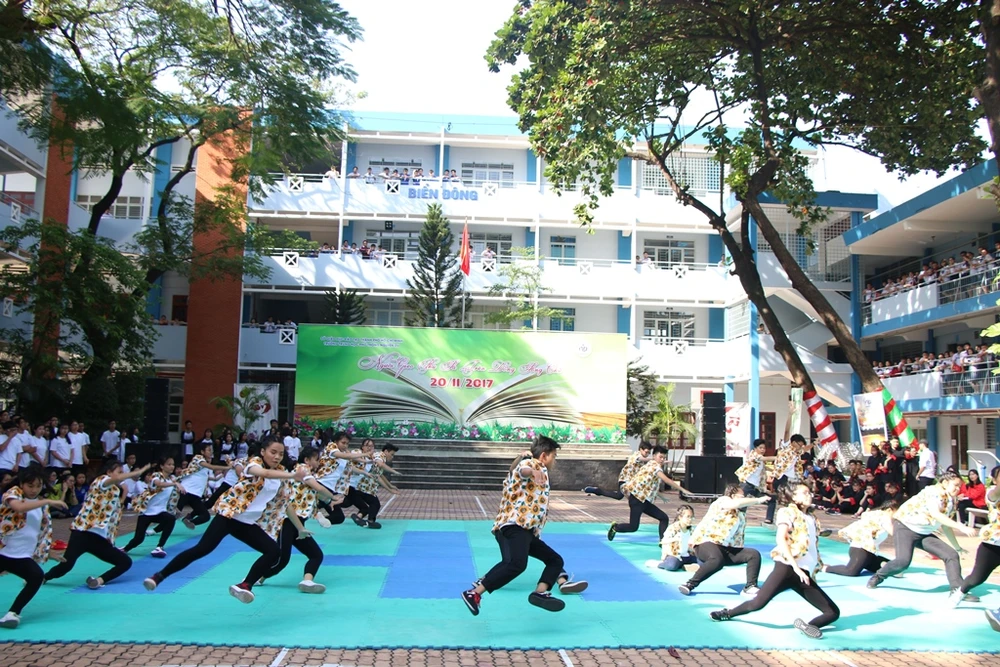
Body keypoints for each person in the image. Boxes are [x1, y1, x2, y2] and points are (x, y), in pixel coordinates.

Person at [143, 439, 309, 604]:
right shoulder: (254, 464)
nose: (277, 457)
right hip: (229, 516)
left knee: (273, 551)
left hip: (246, 523)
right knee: (202, 549)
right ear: (263, 452)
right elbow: (264, 473)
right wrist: (293, 475)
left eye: (281, 454)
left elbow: (285, 504)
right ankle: (159, 576)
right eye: (273, 452)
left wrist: (300, 528)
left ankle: (245, 585)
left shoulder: (281, 474)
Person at [461, 437, 587, 615]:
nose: (555, 461)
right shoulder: (533, 464)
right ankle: (474, 593)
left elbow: (514, 469)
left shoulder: (525, 468)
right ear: (544, 456)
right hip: (514, 527)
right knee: (517, 564)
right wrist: (532, 472)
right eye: (554, 456)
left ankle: (540, 593)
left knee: (555, 560)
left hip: (525, 531)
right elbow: (523, 469)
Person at [709, 482, 840, 640]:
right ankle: (727, 613)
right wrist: (795, 567)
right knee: (757, 603)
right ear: (793, 497)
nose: (809, 495)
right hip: (786, 569)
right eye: (804, 492)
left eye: (810, 492)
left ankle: (808, 625)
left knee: (833, 612)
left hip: (803, 574)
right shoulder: (787, 512)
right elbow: (781, 539)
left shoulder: (811, 517)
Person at [44, 457, 150, 589]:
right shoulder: (101, 481)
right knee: (66, 565)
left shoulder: (115, 490)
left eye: (123, 472)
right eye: (119, 471)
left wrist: (125, 492)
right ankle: (43, 577)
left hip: (100, 539)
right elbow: (113, 480)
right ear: (109, 472)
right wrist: (136, 473)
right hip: (83, 532)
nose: (122, 475)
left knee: (125, 562)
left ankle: (99, 581)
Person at [867, 471, 976, 597]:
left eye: (959, 487)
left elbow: (946, 526)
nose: (958, 489)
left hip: (924, 533)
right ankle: (879, 575)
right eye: (955, 485)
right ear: (945, 483)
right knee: (902, 562)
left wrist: (957, 547)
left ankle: (957, 591)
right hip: (905, 528)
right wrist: (961, 527)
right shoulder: (932, 492)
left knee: (951, 555)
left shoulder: (950, 500)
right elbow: (936, 514)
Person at [259, 446, 338, 593]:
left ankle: (307, 581)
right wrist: (334, 496)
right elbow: (319, 489)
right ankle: (256, 578)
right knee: (282, 559)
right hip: (287, 521)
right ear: (307, 460)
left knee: (316, 555)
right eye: (316, 459)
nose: (319, 462)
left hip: (299, 523)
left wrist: (328, 502)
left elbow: (315, 494)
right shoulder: (303, 469)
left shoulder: (308, 475)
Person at [0, 468, 66, 628]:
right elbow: (19, 507)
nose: (34, 489)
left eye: (38, 486)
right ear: (22, 484)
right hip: (2, 552)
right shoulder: (13, 494)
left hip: (21, 556)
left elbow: (37, 533)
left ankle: (12, 613)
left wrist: (48, 552)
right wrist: (48, 501)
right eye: (30, 486)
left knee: (36, 577)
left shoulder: (40, 506)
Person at [679, 484, 768, 596]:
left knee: (753, 554)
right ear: (732, 495)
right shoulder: (723, 501)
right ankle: (690, 584)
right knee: (717, 559)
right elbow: (734, 503)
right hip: (705, 543)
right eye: (742, 496)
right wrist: (758, 500)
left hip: (725, 549)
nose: (745, 498)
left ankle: (750, 586)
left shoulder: (740, 514)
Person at [608, 445, 690, 542]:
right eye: (660, 457)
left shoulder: (650, 464)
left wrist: (661, 496)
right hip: (637, 500)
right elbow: (667, 480)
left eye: (664, 458)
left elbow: (649, 485)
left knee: (663, 518)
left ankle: (663, 541)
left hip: (644, 501)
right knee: (633, 527)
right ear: (654, 456)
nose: (662, 459)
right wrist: (683, 490)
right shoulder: (655, 467)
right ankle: (615, 527)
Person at [953, 465, 1000, 608]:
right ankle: (960, 592)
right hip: (993, 545)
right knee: (977, 578)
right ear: (994, 479)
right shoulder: (992, 493)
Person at [122, 457, 182, 558]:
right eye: (169, 464)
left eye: (173, 464)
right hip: (146, 512)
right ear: (162, 466)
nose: (172, 466)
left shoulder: (171, 479)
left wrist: (175, 508)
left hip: (160, 512)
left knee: (171, 519)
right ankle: (125, 549)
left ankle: (159, 547)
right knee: (138, 539)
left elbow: (169, 497)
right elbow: (159, 484)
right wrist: (175, 484)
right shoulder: (156, 475)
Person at [823, 500, 899, 577]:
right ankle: (826, 568)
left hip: (870, 553)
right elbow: (893, 532)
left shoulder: (876, 514)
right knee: (851, 571)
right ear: (889, 510)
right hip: (860, 549)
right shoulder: (884, 516)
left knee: (896, 569)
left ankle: (881, 564)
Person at [176, 441, 230, 529]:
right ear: (202, 452)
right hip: (186, 491)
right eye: (209, 450)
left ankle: (189, 521)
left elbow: (205, 477)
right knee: (175, 514)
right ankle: (155, 530)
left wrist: (220, 476)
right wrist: (228, 467)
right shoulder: (198, 458)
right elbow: (212, 467)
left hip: (196, 495)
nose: (211, 452)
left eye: (211, 450)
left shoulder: (204, 465)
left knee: (206, 516)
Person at [583, 442, 651, 500]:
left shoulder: (642, 460)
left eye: (649, 453)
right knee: (630, 496)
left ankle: (598, 491)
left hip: (630, 481)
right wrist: (653, 458)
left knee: (619, 496)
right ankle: (597, 491)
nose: (647, 454)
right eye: (646, 452)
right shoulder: (637, 455)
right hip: (625, 479)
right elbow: (640, 459)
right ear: (641, 449)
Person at [764, 434, 807, 525]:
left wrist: (814, 444)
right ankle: (770, 518)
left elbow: (804, 450)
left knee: (791, 499)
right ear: (794, 443)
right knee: (776, 497)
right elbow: (787, 432)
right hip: (780, 477)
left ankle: (793, 519)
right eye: (800, 444)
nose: (801, 447)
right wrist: (789, 419)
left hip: (791, 478)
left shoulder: (796, 452)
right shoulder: (785, 448)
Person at [645, 505, 696, 571]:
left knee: (703, 562)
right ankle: (659, 564)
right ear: (680, 517)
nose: (690, 519)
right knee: (672, 566)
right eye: (688, 517)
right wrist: (663, 556)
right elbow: (663, 541)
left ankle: (684, 565)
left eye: (691, 517)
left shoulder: (691, 529)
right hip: (674, 555)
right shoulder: (673, 528)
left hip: (686, 555)